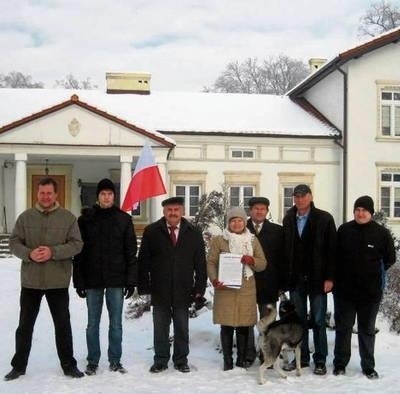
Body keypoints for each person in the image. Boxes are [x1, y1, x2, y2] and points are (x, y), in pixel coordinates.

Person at [4, 177, 84, 381]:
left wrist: (53, 252)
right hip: (31, 281)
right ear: (37, 194)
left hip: (57, 281)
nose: (46, 197)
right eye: (42, 193)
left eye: (49, 193)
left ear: (55, 194)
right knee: (25, 325)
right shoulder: (25, 217)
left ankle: (68, 365)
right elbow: (14, 242)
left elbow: (77, 244)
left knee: (62, 325)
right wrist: (29, 254)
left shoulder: (68, 218)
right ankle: (19, 366)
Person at [73, 178, 137, 375]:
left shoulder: (124, 219)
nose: (106, 197)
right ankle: (93, 360)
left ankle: (115, 360)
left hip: (116, 279)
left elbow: (130, 251)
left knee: (116, 322)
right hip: (93, 279)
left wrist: (130, 280)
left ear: (114, 197)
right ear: (98, 196)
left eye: (110, 194)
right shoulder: (85, 220)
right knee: (93, 323)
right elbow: (79, 252)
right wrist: (79, 281)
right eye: (103, 194)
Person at [138, 196, 207, 374]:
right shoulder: (152, 231)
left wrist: (199, 288)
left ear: (182, 211)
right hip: (160, 289)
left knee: (182, 327)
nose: (173, 213)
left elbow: (200, 264)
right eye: (169, 210)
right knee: (160, 328)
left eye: (176, 209)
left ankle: (181, 359)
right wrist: (144, 286)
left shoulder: (193, 232)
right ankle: (160, 360)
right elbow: (143, 261)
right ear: (164, 212)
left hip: (184, 289)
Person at [333, 196, 395, 379]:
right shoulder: (344, 230)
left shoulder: (381, 233)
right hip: (345, 292)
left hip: (370, 293)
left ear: (371, 213)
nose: (360, 213)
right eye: (357, 210)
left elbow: (390, 259)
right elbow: (334, 257)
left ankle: (368, 365)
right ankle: (340, 363)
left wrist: (373, 274)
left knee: (367, 330)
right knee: (343, 328)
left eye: (364, 210)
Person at [282, 184, 336, 375]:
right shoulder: (288, 218)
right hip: (296, 279)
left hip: (318, 278)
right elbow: (285, 250)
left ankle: (320, 360)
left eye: (303, 196)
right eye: (296, 196)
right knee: (299, 322)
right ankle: (301, 358)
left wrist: (330, 277)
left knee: (319, 320)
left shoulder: (324, 218)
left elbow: (331, 250)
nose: (299, 200)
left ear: (310, 197)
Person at [207, 207, 267, 371]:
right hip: (225, 287)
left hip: (246, 288)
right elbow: (211, 262)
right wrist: (214, 279)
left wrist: (252, 260)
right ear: (228, 223)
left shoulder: (253, 240)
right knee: (226, 325)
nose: (236, 223)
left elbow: (262, 263)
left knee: (243, 325)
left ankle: (241, 360)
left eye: (239, 220)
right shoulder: (219, 240)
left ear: (244, 222)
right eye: (233, 220)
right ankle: (227, 361)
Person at [246, 197, 284, 364]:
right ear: (250, 211)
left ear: (267, 211)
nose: (259, 211)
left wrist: (281, 285)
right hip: (246, 283)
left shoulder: (277, 231)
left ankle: (267, 356)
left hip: (269, 283)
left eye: (262, 208)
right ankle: (247, 354)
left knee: (268, 322)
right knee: (246, 321)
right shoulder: (240, 228)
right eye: (256, 208)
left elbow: (283, 259)